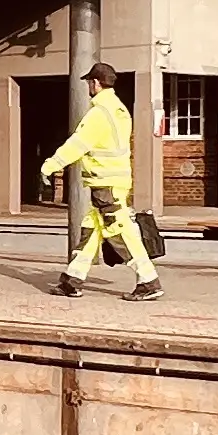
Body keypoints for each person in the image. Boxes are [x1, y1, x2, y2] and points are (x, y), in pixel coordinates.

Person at [37, 61, 158, 300]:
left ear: (95, 83)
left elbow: (78, 144)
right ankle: (72, 280)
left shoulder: (99, 113)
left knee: (118, 230)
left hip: (106, 182)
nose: (88, 87)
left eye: (89, 83)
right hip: (115, 180)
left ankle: (148, 280)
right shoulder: (119, 109)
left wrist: (50, 165)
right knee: (92, 230)